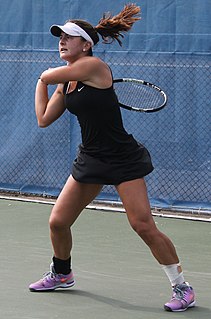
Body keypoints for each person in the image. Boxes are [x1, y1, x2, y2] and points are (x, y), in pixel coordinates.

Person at [29, 4, 195, 312]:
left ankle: (181, 287)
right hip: (91, 157)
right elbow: (43, 118)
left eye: (69, 37)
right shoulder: (65, 81)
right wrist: (43, 83)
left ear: (87, 45)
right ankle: (62, 273)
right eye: (59, 37)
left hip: (122, 158)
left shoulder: (93, 66)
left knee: (142, 224)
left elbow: (49, 75)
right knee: (58, 222)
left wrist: (45, 77)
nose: (62, 42)